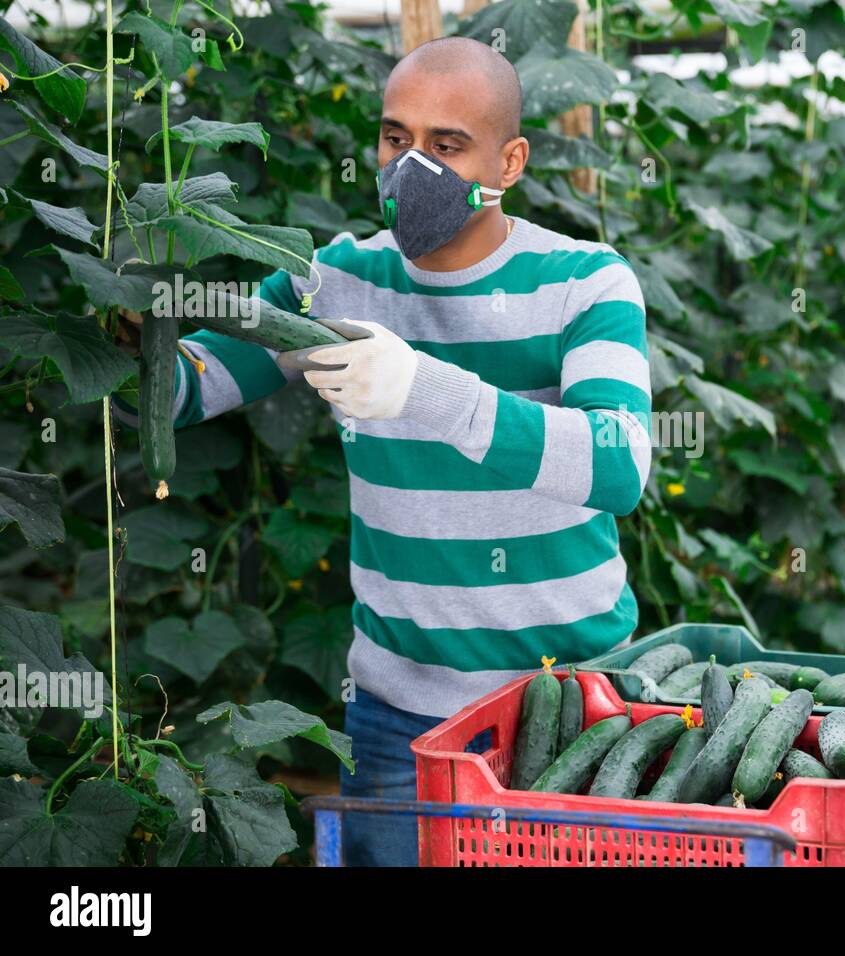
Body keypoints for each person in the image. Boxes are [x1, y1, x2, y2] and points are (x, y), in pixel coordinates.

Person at [122, 37, 650, 864]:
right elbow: (195, 385)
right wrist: (125, 329)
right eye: (395, 139)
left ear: (509, 161)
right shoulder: (335, 280)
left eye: (447, 146)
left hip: (573, 709)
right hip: (401, 717)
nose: (412, 167)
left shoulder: (585, 280)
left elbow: (617, 466)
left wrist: (420, 387)